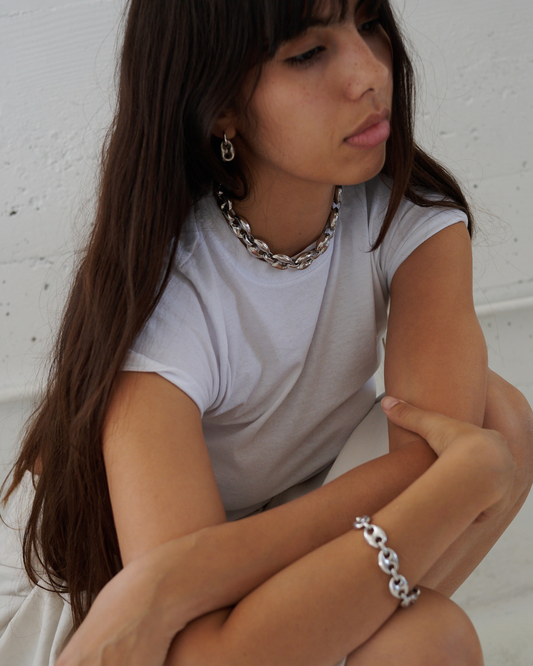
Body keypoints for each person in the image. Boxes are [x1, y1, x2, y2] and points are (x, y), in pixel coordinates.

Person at [1, 0, 532, 664]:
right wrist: (464, 476)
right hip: (103, 596)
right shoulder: (164, 302)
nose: (370, 73)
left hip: (230, 542)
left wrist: (183, 572)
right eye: (308, 54)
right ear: (221, 105)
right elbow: (197, 647)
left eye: (369, 23)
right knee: (433, 623)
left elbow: (429, 466)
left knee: (497, 418)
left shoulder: (410, 219)